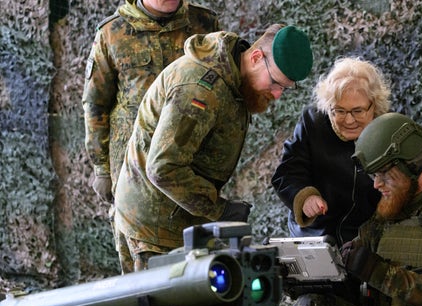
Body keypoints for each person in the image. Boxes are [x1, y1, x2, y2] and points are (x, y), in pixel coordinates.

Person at [113, 24, 313, 273]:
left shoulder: (234, 79)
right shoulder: (199, 89)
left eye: (284, 88)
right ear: (256, 57)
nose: (277, 94)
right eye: (275, 83)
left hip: (179, 219)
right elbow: (164, 168)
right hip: (153, 228)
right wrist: (220, 209)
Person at [292, 113, 422, 306]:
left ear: (413, 164)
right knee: (310, 305)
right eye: (373, 175)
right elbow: (359, 268)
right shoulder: (392, 207)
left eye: (384, 173)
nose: (377, 184)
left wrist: (380, 273)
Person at [82, 0, 220, 272]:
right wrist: (101, 168)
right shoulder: (113, 32)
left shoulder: (204, 25)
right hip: (133, 173)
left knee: (197, 270)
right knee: (140, 278)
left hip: (189, 170)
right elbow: (96, 103)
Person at [271, 57, 391, 247]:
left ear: (374, 106)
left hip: (365, 240)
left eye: (358, 111)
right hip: (314, 236)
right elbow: (287, 173)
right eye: (340, 111)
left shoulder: (388, 132)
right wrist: (305, 198)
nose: (349, 120)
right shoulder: (313, 123)